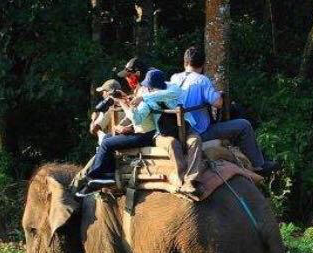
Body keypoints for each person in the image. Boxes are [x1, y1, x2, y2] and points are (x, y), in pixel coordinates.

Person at [170, 46, 279, 175]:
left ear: (185, 62)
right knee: (244, 125)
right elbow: (218, 103)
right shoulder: (202, 80)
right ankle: (258, 165)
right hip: (200, 132)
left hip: (179, 131)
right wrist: (217, 94)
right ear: (203, 65)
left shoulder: (174, 78)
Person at [77, 69, 172, 197]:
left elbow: (136, 118)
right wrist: (126, 101)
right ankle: (106, 175)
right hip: (142, 131)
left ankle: (96, 177)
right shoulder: (143, 94)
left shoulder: (145, 96)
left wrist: (121, 103)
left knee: (106, 144)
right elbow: (140, 116)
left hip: (144, 135)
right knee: (107, 139)